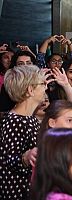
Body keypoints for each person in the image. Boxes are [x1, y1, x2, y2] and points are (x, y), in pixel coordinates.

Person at [0, 65, 47, 199]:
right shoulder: (15, 121)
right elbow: (8, 160)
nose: (46, 87)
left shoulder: (28, 117)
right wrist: (25, 158)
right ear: (30, 90)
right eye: (42, 84)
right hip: (18, 192)